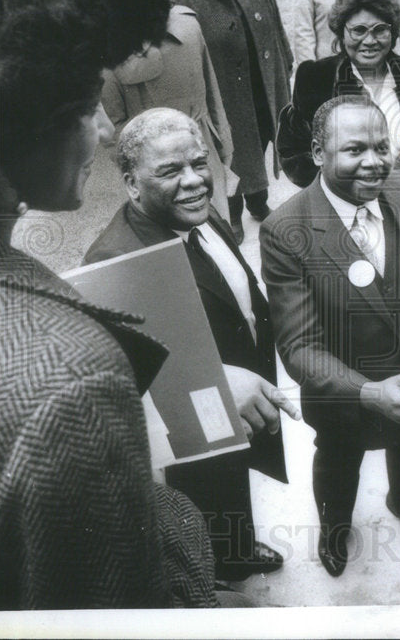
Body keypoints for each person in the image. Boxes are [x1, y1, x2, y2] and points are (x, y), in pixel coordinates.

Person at [0, 0, 221, 609]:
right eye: (81, 102)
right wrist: (157, 503)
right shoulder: (72, 377)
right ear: (20, 122)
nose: (99, 128)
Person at [83, 108, 300, 582]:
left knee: (230, 482)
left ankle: (235, 552)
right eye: (170, 171)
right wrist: (219, 382)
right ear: (130, 181)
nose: (195, 181)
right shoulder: (115, 260)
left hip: (234, 409)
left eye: (200, 163)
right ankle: (213, 573)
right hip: (188, 428)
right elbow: (123, 380)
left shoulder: (201, 214)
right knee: (201, 496)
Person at [261, 95, 400, 577]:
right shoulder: (285, 229)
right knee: (336, 464)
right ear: (317, 153)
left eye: (381, 146)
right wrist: (370, 392)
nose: (373, 162)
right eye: (354, 150)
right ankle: (335, 532)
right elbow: (299, 347)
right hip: (343, 398)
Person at [174, 0, 292, 237]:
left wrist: (284, 57)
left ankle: (258, 202)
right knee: (233, 145)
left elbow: (273, 14)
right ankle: (234, 213)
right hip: (221, 84)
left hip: (259, 74)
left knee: (263, 137)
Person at [277, 0, 400, 195]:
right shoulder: (317, 78)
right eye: (359, 31)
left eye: (380, 30)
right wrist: (338, 187)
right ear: (341, 33)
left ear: (393, 33)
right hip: (344, 200)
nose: (370, 40)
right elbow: (293, 151)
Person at [100, 0, 235, 223]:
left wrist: (225, 147)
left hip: (204, 154)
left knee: (217, 227)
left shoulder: (188, 26)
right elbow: (113, 132)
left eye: (166, 2)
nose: (160, 13)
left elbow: (212, 95)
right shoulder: (107, 52)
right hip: (157, 174)